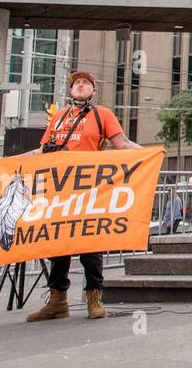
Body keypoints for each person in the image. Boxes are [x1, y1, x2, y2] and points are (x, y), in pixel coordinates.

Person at [24, 70, 142, 323]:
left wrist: (149, 154)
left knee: (90, 245)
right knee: (58, 245)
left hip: (89, 190)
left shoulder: (103, 115)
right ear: (70, 91)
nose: (80, 85)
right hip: (59, 190)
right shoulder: (58, 117)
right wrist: (10, 161)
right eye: (76, 83)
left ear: (93, 91)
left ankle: (94, 298)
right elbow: (42, 150)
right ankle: (57, 301)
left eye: (85, 83)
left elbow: (122, 144)